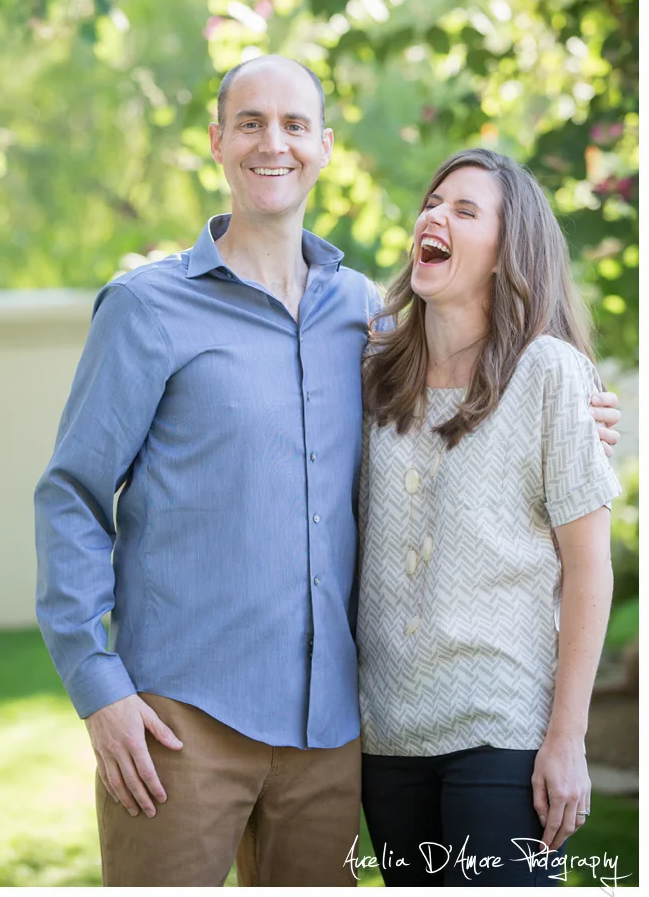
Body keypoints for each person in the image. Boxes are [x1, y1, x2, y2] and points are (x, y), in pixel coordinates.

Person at [34, 55, 620, 886]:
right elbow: (72, 498)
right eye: (250, 122)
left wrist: (584, 414)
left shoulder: (365, 323)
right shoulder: (145, 308)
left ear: (324, 147)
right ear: (216, 142)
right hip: (179, 722)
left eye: (294, 124)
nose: (273, 142)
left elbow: (487, 393)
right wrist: (97, 683)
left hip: (331, 737)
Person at [356, 149, 619, 886]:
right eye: (432, 203)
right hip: (389, 738)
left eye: (465, 210)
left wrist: (567, 737)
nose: (433, 217)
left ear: (508, 254)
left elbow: (588, 569)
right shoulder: (373, 375)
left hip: (503, 734)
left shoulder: (550, 374)